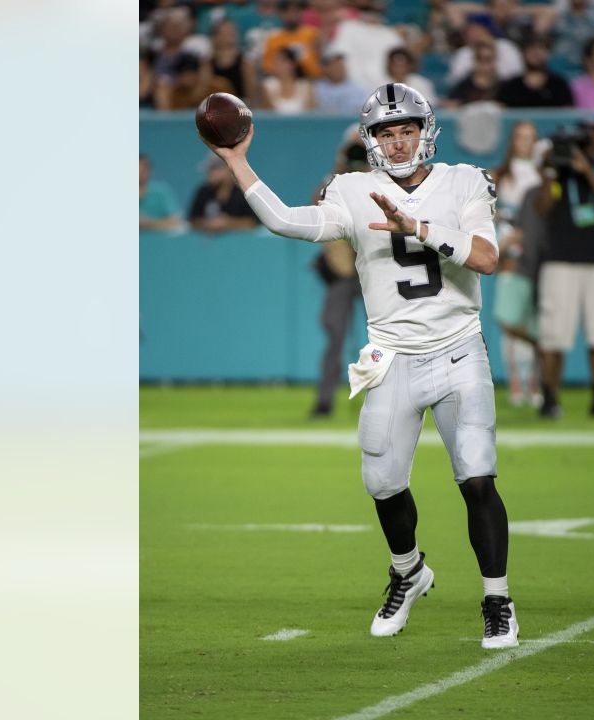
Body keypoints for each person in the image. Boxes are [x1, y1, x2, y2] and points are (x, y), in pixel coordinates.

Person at [201, 82, 519, 649]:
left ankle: (498, 599)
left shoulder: (465, 180)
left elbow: (488, 258)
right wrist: (237, 162)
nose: (398, 144)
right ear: (371, 140)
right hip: (393, 355)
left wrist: (417, 228)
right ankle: (409, 572)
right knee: (382, 481)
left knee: (476, 475)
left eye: (407, 131)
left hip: (458, 348)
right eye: (386, 134)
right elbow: (286, 222)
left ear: (426, 131)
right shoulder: (351, 190)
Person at [536, 122, 594, 418]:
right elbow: (542, 208)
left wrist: (586, 170)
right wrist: (547, 171)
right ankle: (549, 398)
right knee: (554, 332)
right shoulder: (557, 172)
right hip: (559, 261)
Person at [309, 140, 369, 417]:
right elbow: (315, 206)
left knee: (388, 337)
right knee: (335, 335)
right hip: (344, 273)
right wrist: (338, 173)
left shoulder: (379, 183)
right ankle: (324, 401)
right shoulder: (334, 185)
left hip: (375, 271)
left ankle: (391, 399)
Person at [491, 121, 544, 406]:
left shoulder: (540, 177)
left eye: (531, 137)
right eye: (521, 137)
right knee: (509, 320)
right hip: (508, 256)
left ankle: (534, 384)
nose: (525, 142)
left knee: (533, 321)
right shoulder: (499, 176)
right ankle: (516, 384)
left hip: (535, 257)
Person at [187, 157, 261, 234]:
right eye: (209, 170)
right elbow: (192, 220)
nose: (210, 173)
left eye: (214, 169)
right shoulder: (203, 192)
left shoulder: (243, 192)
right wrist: (208, 223)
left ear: (228, 170)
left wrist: (228, 223)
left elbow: (254, 222)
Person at [498, 36, 574, 108]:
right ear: (523, 53)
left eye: (541, 48)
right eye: (531, 48)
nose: (536, 53)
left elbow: (568, 114)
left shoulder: (559, 85)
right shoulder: (511, 87)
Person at [261, 0, 322, 79]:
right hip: (283, 82)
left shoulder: (313, 34)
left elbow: (322, 61)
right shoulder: (273, 39)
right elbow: (268, 67)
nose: (292, 15)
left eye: (296, 11)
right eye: (287, 11)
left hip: (311, 80)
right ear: (280, 14)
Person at [207, 18, 260, 107]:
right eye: (224, 33)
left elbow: (252, 96)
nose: (228, 36)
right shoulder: (207, 65)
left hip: (240, 111)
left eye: (231, 32)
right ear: (215, 37)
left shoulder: (245, 64)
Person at [444, 42, 502, 108]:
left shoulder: (504, 89)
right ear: (474, 60)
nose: (484, 64)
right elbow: (449, 106)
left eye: (488, 59)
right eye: (480, 58)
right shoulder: (462, 88)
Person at [314, 47, 369, 114]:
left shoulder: (359, 89)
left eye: (341, 64)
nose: (339, 68)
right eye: (334, 65)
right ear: (325, 68)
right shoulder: (315, 89)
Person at [261, 47, 316, 113]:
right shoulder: (268, 86)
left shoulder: (306, 86)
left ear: (292, 64)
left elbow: (311, 114)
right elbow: (267, 113)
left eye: (282, 62)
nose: (278, 66)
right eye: (275, 62)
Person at [139, 154, 182, 231]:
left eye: (144, 169)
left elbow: (175, 221)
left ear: (150, 171)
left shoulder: (161, 191)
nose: (140, 172)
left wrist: (147, 223)